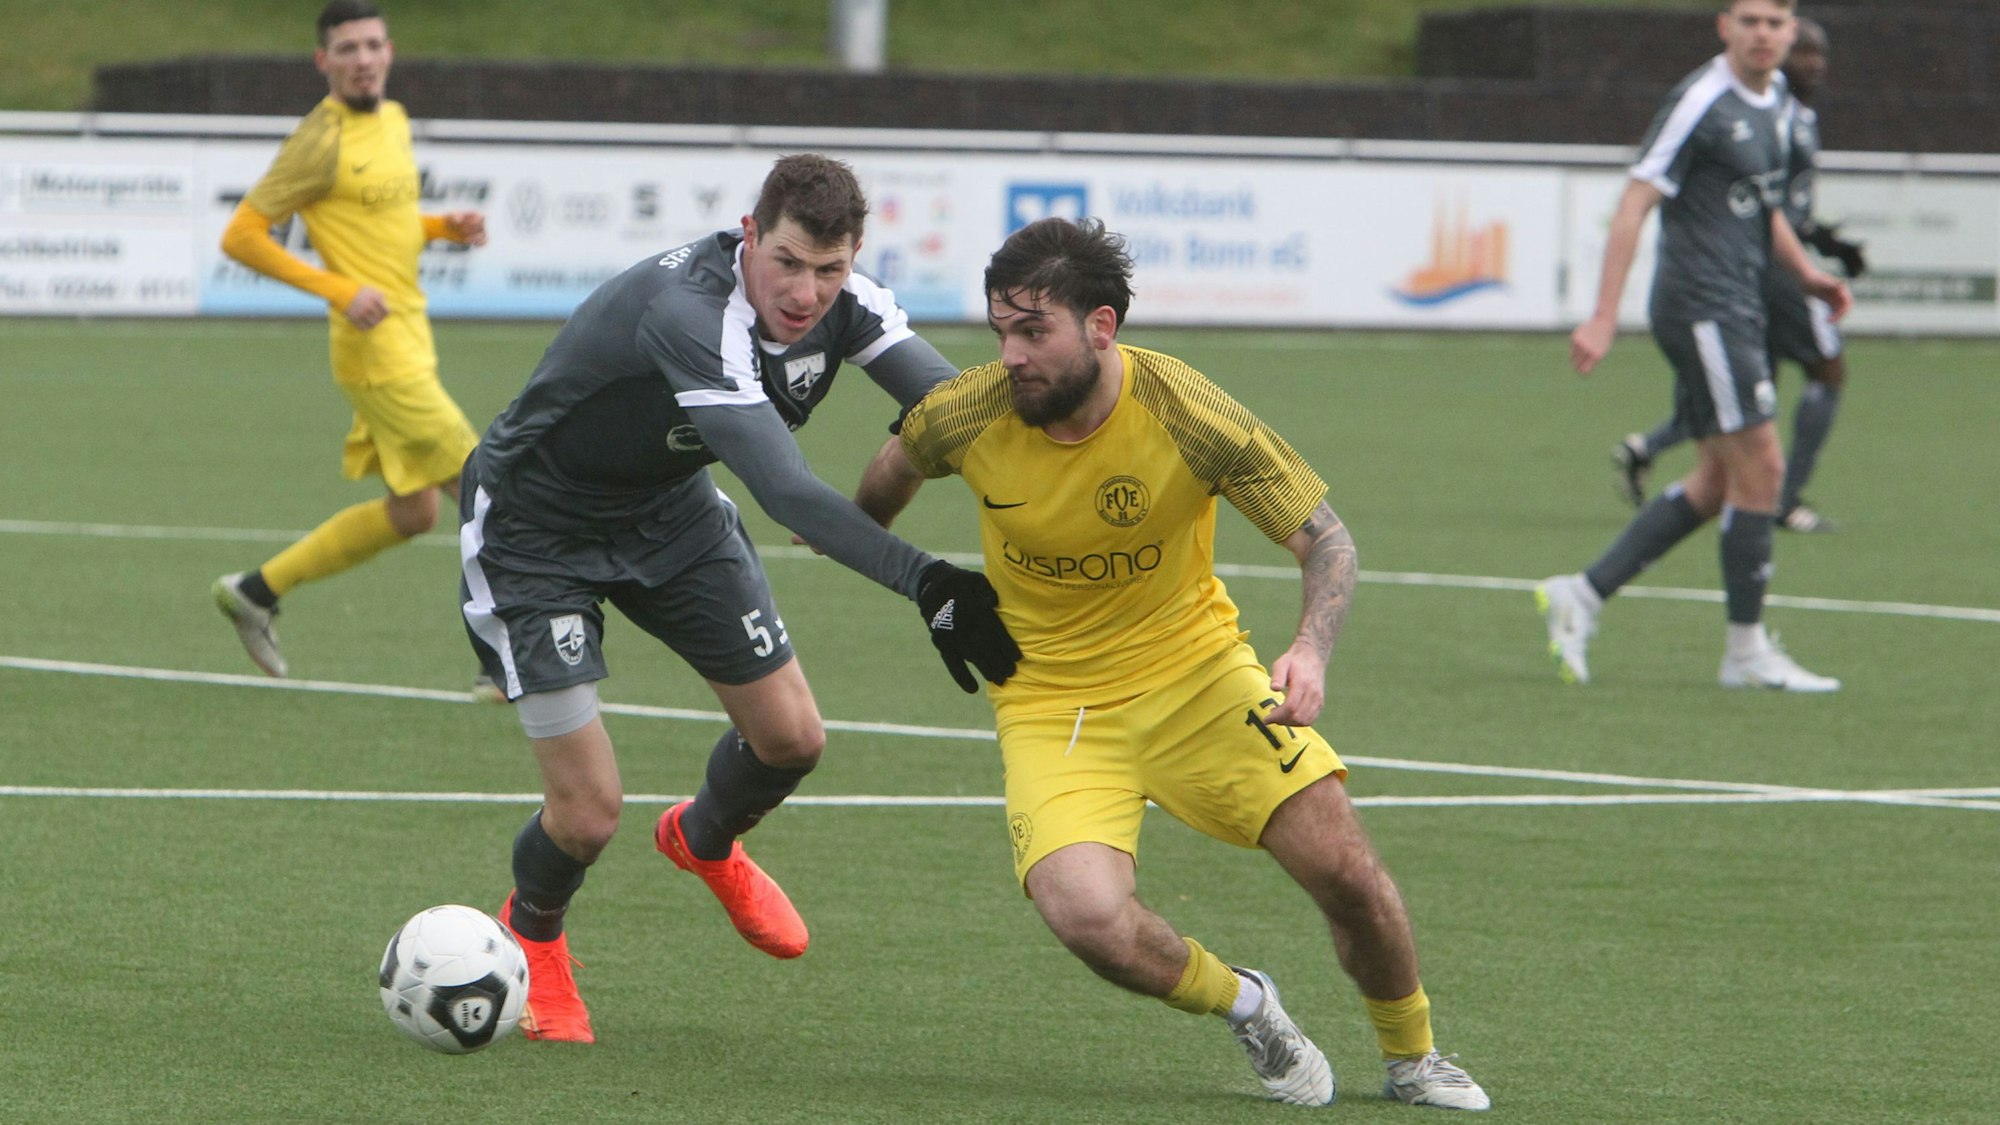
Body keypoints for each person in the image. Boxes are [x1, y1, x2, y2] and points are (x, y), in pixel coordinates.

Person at [874, 217, 1488, 1110]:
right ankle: (1247, 1003)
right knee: (1084, 914)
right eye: (1001, 330)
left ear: (1102, 326)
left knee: (1347, 871)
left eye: (1032, 330)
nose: (1009, 354)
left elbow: (1327, 539)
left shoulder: (1187, 410)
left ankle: (1413, 1056)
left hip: (1198, 677)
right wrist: (924, 582)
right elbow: (867, 500)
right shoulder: (965, 411)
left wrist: (1310, 649)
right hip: (1051, 702)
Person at [460, 153, 1019, 1043]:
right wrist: (930, 582)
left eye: (830, 270)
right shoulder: (689, 311)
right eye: (789, 262)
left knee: (793, 739)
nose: (806, 292)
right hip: (536, 532)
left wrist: (1080, 429)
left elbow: (960, 409)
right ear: (751, 235)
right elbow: (788, 493)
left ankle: (705, 836)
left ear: (855, 256)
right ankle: (534, 938)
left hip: (669, 514)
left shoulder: (850, 303)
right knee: (589, 811)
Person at [1544, 0, 1851, 692]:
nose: (1764, 33)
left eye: (1776, 21)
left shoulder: (1776, 99)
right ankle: (1744, 651)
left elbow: (1760, 201)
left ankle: (1582, 595)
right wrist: (1600, 315)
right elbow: (1633, 203)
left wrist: (1806, 274)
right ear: (1724, 27)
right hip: (1703, 308)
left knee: (1718, 481)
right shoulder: (1700, 101)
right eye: (1750, 20)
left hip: (1741, 303)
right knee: (1764, 468)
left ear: (1792, 28)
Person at [211, 0, 486, 681]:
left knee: (413, 511)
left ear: (389, 51)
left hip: (411, 335)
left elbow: (383, 220)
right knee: (490, 488)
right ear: (323, 61)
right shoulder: (318, 140)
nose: (362, 59)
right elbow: (240, 235)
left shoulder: (392, 119)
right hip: (375, 354)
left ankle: (255, 591)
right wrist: (339, 289)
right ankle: (502, 658)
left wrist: (442, 227)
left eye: (371, 45)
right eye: (347, 49)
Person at [1611, 15, 1864, 534]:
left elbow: (1769, 201)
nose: (1812, 64)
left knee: (1744, 400)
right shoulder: (1759, 109)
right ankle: (1784, 500)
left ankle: (1649, 448)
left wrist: (1820, 243)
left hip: (1757, 266)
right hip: (1750, 271)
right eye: (1805, 54)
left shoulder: (1784, 110)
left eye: (1819, 55)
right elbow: (1753, 203)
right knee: (1821, 374)